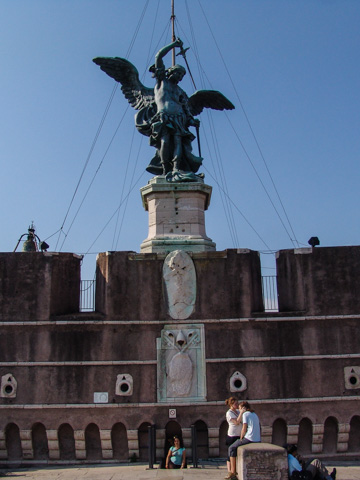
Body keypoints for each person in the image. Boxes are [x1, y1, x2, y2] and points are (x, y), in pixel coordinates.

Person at [227, 401, 261, 480]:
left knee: (231, 448)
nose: (239, 410)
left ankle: (233, 472)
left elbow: (244, 428)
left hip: (250, 438)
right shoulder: (254, 414)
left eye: (239, 408)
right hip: (257, 439)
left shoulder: (245, 414)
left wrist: (241, 438)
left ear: (243, 408)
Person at [224, 397, 242, 478]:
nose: (237, 405)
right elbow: (237, 422)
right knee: (230, 453)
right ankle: (230, 471)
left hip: (238, 435)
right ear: (231, 405)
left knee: (236, 453)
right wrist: (241, 413)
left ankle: (234, 471)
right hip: (232, 435)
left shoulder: (237, 411)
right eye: (235, 404)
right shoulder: (229, 413)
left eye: (237, 403)